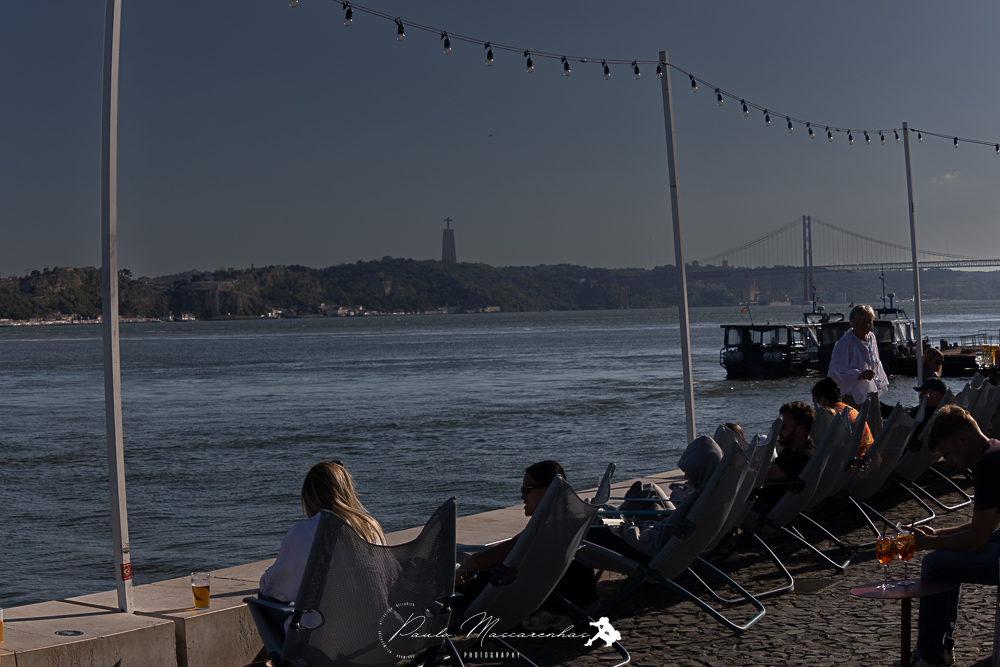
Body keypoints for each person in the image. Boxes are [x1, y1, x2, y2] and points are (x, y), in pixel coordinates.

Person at [906, 406, 1000, 667]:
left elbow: (976, 541)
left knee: (935, 563)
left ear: (962, 440)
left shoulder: (987, 465)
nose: (948, 461)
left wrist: (927, 543)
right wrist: (937, 534)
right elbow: (987, 526)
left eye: (947, 453)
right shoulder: (995, 450)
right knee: (943, 557)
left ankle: (931, 655)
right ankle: (939, 649)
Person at [455, 460, 598, 632]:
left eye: (526, 489)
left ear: (548, 490)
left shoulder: (541, 531)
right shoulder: (564, 524)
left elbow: (479, 562)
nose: (522, 496)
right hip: (543, 592)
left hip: (502, 598)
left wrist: (468, 563)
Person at [259, 461, 386, 604]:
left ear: (309, 497)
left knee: (266, 596)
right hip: (373, 614)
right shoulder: (371, 526)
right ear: (347, 491)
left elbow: (273, 587)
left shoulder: (303, 531)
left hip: (328, 617)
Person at [585, 436, 725, 563]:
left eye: (689, 472)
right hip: (671, 554)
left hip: (655, 558)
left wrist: (629, 529)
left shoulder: (697, 505)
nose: (685, 477)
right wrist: (638, 525)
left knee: (586, 534)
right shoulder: (714, 500)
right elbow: (667, 531)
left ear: (700, 471)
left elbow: (656, 544)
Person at [828, 305, 888, 434]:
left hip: (870, 393)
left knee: (874, 429)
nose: (867, 325)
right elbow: (837, 372)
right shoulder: (846, 342)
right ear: (855, 323)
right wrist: (859, 375)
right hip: (852, 396)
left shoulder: (871, 338)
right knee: (856, 432)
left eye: (870, 321)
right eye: (863, 322)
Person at [812, 377, 874, 457]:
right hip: (868, 459)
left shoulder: (831, 416)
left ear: (821, 400)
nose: (814, 406)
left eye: (814, 402)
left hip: (852, 463)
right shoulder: (851, 411)